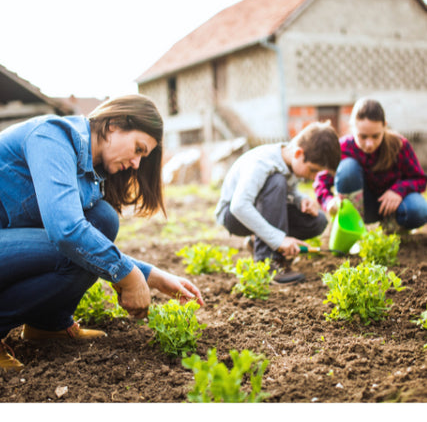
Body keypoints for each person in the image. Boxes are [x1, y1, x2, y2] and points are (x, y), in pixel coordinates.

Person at [0, 94, 204, 372]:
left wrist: (151, 275)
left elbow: (83, 237)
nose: (136, 164)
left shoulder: (88, 173)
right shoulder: (51, 138)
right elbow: (67, 232)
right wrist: (127, 275)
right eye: (138, 149)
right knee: (79, 251)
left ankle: (47, 325)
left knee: (103, 220)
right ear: (113, 125)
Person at [215, 121, 341, 284]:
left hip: (256, 209)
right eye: (312, 170)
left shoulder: (290, 162)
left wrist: (300, 199)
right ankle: (268, 262)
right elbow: (239, 205)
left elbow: (288, 191)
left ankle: (257, 243)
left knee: (317, 222)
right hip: (233, 215)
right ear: (298, 154)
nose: (313, 176)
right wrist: (279, 240)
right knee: (276, 181)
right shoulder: (263, 162)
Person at [314, 98, 427, 232]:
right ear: (352, 127)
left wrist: (398, 190)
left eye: (375, 136)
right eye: (363, 136)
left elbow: (420, 179)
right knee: (348, 168)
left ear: (384, 126)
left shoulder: (399, 145)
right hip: (360, 207)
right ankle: (353, 228)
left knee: (419, 209)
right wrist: (329, 202)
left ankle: (392, 227)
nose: (369, 144)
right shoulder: (342, 148)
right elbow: (321, 182)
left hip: (392, 207)